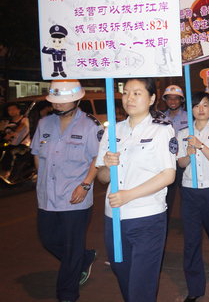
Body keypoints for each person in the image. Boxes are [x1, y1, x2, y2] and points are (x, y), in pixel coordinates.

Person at [96, 78, 176, 302]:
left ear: (151, 99)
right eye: (126, 92)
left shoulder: (162, 131)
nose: (130, 98)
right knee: (122, 274)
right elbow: (102, 177)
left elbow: (168, 175)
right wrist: (106, 165)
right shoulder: (113, 130)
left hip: (147, 217)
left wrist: (128, 195)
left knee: (142, 284)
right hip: (114, 217)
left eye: (137, 93)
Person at [31, 79, 102, 302]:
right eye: (55, 101)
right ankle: (83, 258)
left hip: (75, 196)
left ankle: (67, 294)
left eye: (63, 101)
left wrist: (85, 184)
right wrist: (41, 178)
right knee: (48, 239)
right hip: (46, 196)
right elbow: (36, 152)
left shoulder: (90, 125)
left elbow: (97, 158)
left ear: (76, 99)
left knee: (71, 248)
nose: (58, 105)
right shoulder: (45, 123)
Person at [176, 92, 209, 302]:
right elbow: (180, 164)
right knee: (191, 240)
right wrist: (188, 152)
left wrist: (200, 145)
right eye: (196, 105)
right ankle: (195, 287)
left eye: (205, 105)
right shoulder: (182, 133)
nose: (201, 109)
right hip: (189, 190)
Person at [161, 84, 188, 222]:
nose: (173, 101)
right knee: (166, 196)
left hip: (184, 162)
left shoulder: (190, 117)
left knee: (187, 196)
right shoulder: (160, 119)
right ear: (165, 100)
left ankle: (189, 222)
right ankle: (164, 222)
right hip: (167, 163)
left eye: (176, 98)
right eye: (169, 98)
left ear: (181, 100)